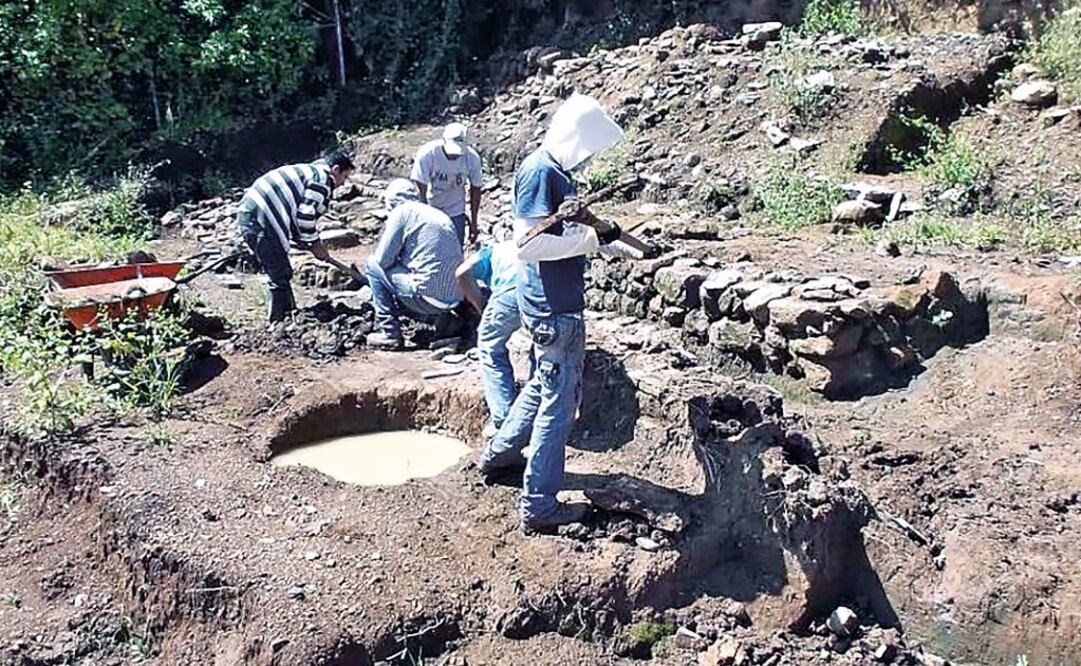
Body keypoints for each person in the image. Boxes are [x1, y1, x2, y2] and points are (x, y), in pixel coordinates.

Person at [478, 93, 644, 534]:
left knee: (541, 384)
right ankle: (540, 503)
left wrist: (621, 247)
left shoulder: (551, 171)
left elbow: (569, 231)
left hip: (548, 307)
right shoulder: (541, 171)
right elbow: (530, 246)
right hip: (556, 310)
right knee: (559, 406)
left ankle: (499, 454)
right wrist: (591, 242)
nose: (589, 158)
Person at [236, 150, 355, 322]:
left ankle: (289, 315)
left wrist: (307, 242)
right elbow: (305, 215)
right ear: (336, 170)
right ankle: (278, 323)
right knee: (279, 272)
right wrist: (315, 245)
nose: (343, 183)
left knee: (281, 271)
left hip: (253, 217)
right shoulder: (321, 180)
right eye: (345, 177)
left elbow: (298, 216)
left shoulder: (311, 173)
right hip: (261, 220)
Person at [365, 179, 465, 350]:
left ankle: (390, 333)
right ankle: (443, 318)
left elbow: (383, 260)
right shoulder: (437, 214)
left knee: (373, 266)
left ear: (390, 201)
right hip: (455, 298)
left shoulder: (402, 213)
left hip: (427, 298)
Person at [455, 239, 521, 432]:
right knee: (543, 350)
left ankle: (504, 418)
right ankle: (533, 411)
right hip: (545, 290)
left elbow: (461, 272)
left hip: (510, 290)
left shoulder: (489, 253)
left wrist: (481, 306)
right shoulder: (528, 244)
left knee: (490, 347)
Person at [410, 122, 483, 246]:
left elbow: (475, 189)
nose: (454, 156)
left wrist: (474, 222)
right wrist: (423, 216)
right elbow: (420, 186)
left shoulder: (472, 158)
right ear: (443, 141)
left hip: (456, 210)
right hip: (431, 206)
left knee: (454, 249)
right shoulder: (428, 154)